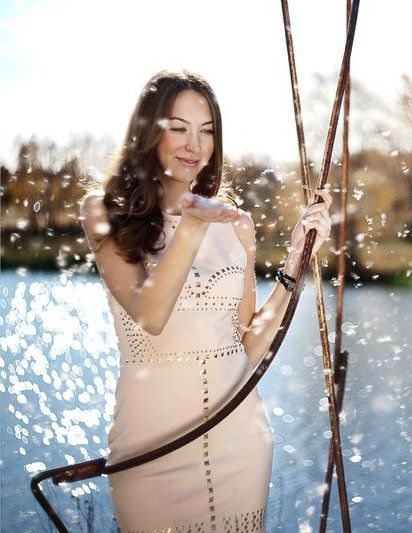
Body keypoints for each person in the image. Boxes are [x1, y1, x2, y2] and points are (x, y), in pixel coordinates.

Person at [80, 70, 332, 531]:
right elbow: (150, 316)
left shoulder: (235, 223)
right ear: (148, 131)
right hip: (150, 448)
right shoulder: (105, 211)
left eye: (206, 131)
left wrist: (297, 260)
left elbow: (246, 343)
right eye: (178, 128)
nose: (194, 145)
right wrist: (192, 225)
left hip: (240, 441)